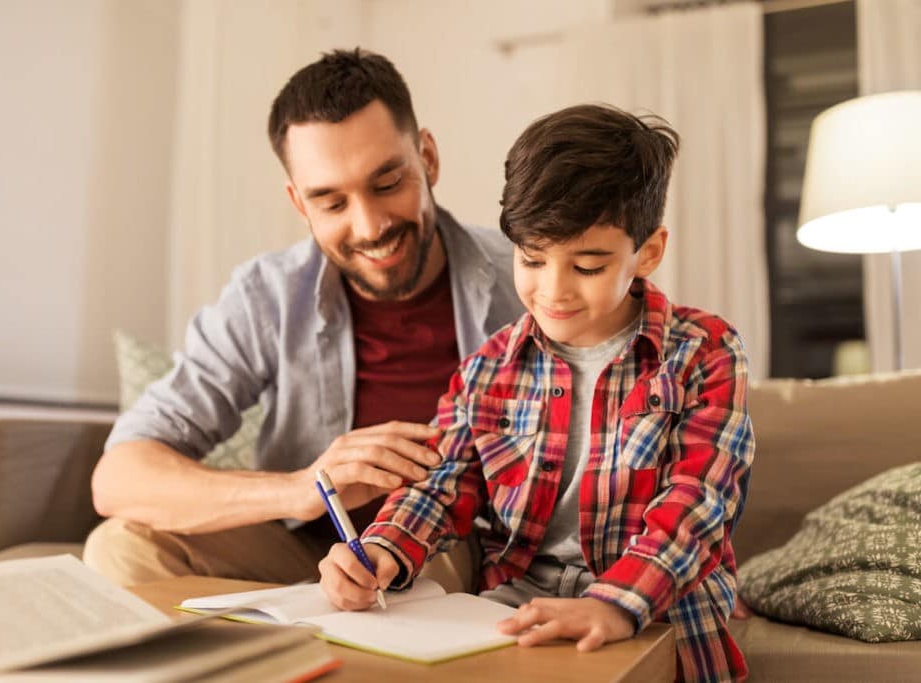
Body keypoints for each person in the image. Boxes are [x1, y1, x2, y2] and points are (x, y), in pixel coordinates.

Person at [318, 104, 755, 682]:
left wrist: (615, 603)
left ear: (647, 253)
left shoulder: (705, 351)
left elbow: (698, 502)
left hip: (659, 609)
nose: (553, 291)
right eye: (532, 258)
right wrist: (382, 550)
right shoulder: (487, 368)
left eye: (588, 266)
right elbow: (442, 487)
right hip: (515, 609)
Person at [82, 49, 523, 588]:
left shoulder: (530, 279)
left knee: (439, 564)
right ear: (299, 203)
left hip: (449, 549)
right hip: (306, 553)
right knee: (123, 547)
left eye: (387, 184)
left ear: (427, 158)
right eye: (332, 203)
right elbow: (120, 478)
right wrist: (306, 489)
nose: (369, 226)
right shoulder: (266, 297)